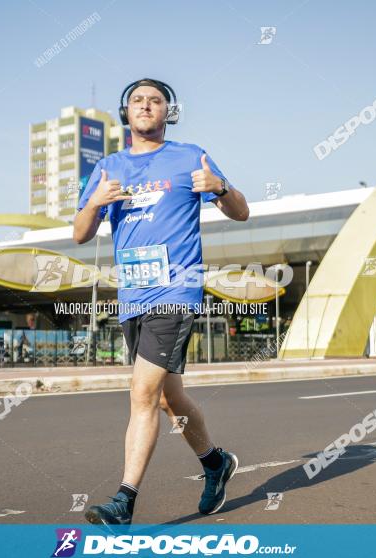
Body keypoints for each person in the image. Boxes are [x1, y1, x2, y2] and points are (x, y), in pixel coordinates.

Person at [73, 78, 250, 527]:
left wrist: (219, 187)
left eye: (156, 101)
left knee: (142, 393)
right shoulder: (108, 167)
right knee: (170, 398)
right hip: (133, 295)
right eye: (138, 100)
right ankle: (215, 462)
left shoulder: (191, 156)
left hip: (177, 290)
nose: (147, 105)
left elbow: (242, 211)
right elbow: (80, 233)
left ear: (168, 112)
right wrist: (94, 203)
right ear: (125, 112)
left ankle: (123, 501)